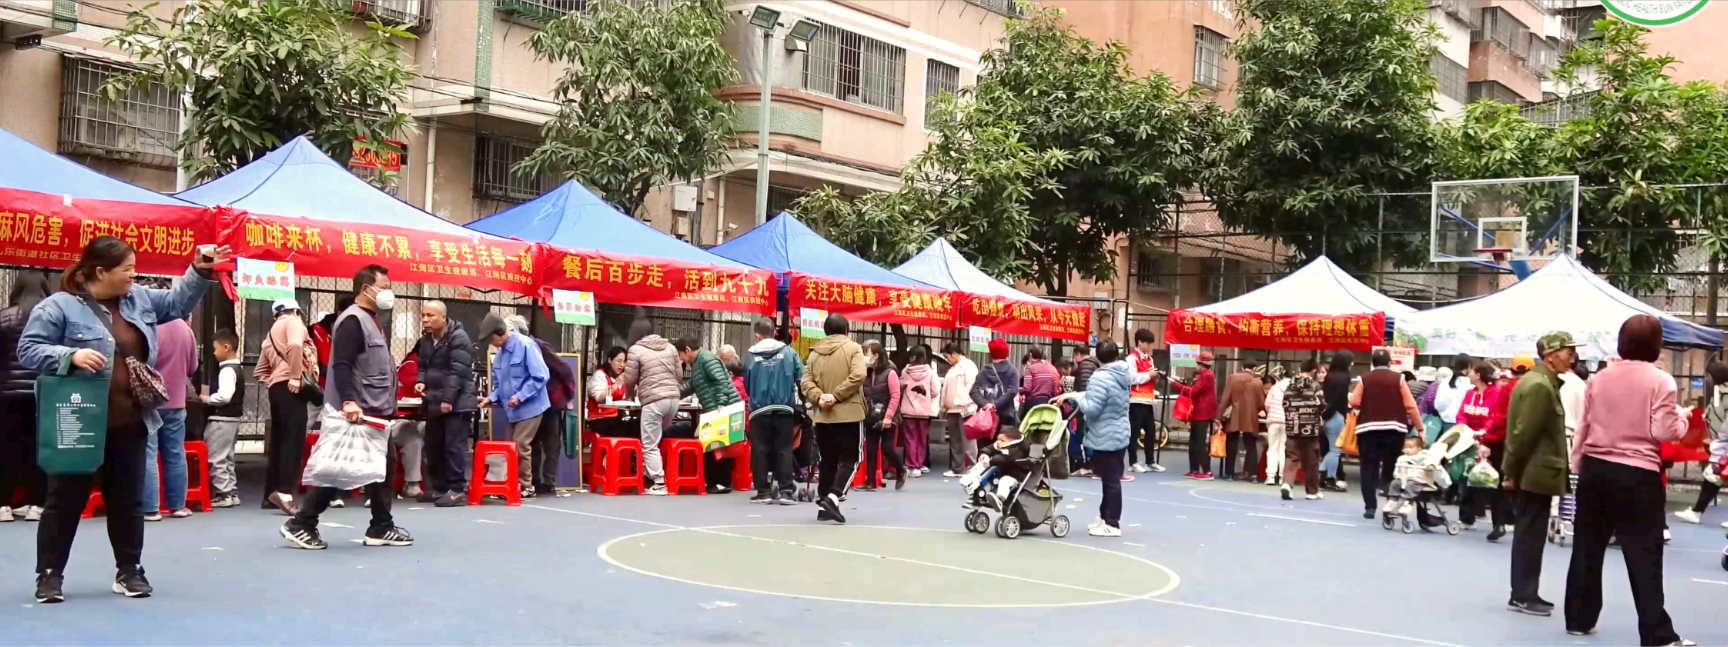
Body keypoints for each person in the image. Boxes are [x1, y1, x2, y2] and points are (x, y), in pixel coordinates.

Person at [21, 236, 222, 602]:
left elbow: (177, 303)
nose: (133, 275)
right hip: (79, 421)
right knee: (64, 499)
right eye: (127, 269)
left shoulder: (138, 299)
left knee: (128, 500)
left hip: (131, 420)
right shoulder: (59, 307)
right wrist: (69, 356)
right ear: (101, 272)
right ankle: (49, 574)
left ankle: (129, 570)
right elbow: (29, 349)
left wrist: (200, 268)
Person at [1564, 317, 1695, 645]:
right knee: (1644, 554)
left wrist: (1578, 462)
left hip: (1595, 468)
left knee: (1587, 546)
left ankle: (1579, 618)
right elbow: (1663, 431)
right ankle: (1656, 632)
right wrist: (1682, 419)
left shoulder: (1600, 378)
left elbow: (1584, 425)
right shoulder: (1661, 381)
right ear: (1656, 344)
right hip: (1637, 473)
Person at [281, 265, 411, 551]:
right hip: (358, 411)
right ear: (366, 289)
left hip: (372, 409)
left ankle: (381, 525)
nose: (389, 293)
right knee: (339, 470)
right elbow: (341, 365)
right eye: (384, 287)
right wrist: (349, 401)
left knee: (383, 467)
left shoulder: (370, 319)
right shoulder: (353, 321)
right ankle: (302, 523)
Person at [1501, 331, 1580, 617]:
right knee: (1530, 536)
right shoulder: (1540, 386)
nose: (1572, 358)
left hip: (1535, 472)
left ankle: (1525, 593)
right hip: (1534, 473)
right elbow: (1523, 435)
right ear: (1550, 355)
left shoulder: (1541, 382)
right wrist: (1511, 471)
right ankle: (1523, 594)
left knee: (1530, 534)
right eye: (1568, 352)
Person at [1052, 340, 1151, 537]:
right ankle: (1105, 516)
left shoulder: (1100, 377)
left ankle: (1112, 523)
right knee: (1109, 478)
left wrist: (1075, 397)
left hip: (1105, 433)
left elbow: (1092, 408)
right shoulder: (1122, 373)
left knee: (1111, 480)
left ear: (1098, 355)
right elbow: (1097, 397)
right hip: (1119, 430)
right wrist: (1075, 394)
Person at [800, 314, 867, 524]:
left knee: (827, 461)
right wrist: (836, 395)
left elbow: (805, 381)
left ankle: (824, 504)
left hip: (823, 416)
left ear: (825, 331)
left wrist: (819, 397)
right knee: (851, 459)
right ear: (847, 330)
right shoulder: (854, 349)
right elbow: (858, 375)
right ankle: (833, 497)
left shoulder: (814, 353)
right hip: (850, 413)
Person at [478, 312, 550, 500]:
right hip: (512, 409)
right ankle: (510, 484)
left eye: (491, 339)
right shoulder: (501, 353)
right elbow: (499, 384)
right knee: (509, 447)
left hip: (531, 406)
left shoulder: (526, 345)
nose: (491, 344)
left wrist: (521, 396)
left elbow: (541, 376)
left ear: (500, 333)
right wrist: (490, 398)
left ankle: (526, 486)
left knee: (520, 445)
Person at [255, 297, 315, 515]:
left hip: (277, 389)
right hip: (292, 387)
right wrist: (295, 376)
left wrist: (275, 380)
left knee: (279, 443)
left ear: (275, 316)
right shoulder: (293, 322)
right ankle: (284, 493)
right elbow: (296, 345)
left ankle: (270, 494)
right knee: (293, 443)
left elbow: (260, 371)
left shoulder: (270, 334)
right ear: (296, 311)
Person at [1349, 349, 1424, 520]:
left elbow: (1354, 401)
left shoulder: (1364, 379)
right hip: (1394, 429)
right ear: (1390, 363)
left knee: (1368, 467)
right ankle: (1390, 499)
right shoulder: (1399, 379)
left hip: (1368, 429)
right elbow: (1411, 406)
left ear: (1373, 363)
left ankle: (1370, 507)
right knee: (1393, 466)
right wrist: (1420, 429)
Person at [413, 301, 475, 507]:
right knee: (433, 446)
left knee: (453, 447)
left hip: (457, 402)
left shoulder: (459, 338)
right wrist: (421, 381)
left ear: (443, 318)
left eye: (430, 316)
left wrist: (448, 400)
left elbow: (458, 371)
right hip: (434, 400)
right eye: (423, 315)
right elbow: (422, 365)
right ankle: (439, 488)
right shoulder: (426, 339)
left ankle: (457, 489)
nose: (425, 319)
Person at [0, 270, 50, 523]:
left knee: (6, 448)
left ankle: (3, 505)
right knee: (40, 448)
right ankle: (36, 504)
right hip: (43, 393)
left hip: (7, 394)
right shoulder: (51, 318)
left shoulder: (4, 317)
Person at [508, 315, 575, 497]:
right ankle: (534, 481)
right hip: (531, 401)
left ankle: (548, 482)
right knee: (533, 443)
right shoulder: (513, 349)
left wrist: (568, 396)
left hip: (551, 401)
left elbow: (564, 369)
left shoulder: (538, 346)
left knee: (551, 444)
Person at [139, 315, 197, 522]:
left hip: (149, 401)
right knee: (175, 452)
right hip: (176, 400)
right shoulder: (185, 330)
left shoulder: (146, 327)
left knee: (148, 453)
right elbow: (192, 368)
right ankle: (178, 505)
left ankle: (151, 509)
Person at [619, 320, 682, 494]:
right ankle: (649, 469)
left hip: (654, 401)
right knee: (656, 436)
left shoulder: (635, 350)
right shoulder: (670, 347)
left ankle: (659, 483)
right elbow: (679, 374)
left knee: (649, 444)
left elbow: (630, 378)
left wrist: (629, 395)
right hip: (673, 400)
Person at [743, 318, 802, 504]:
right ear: (774, 332)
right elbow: (800, 376)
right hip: (784, 408)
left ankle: (763, 492)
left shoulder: (751, 354)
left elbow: (747, 383)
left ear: (757, 335)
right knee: (784, 449)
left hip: (759, 410)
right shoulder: (788, 352)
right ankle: (786, 492)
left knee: (760, 450)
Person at [678, 334, 739, 494]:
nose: (681, 359)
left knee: (721, 445)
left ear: (687, 350)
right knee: (712, 445)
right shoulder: (698, 362)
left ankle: (722, 483)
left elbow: (721, 381)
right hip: (715, 408)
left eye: (680, 355)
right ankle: (713, 482)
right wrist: (673, 394)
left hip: (723, 407)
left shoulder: (706, 359)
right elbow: (692, 385)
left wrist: (721, 402)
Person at [1458, 362, 1507, 533]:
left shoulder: (1497, 394)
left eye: (1471, 371)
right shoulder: (1469, 393)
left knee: (1494, 480)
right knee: (1467, 477)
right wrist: (1466, 430)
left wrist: (1484, 432)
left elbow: (1495, 417)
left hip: (1491, 442)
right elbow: (1461, 414)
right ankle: (1467, 517)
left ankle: (1501, 521)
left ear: (1478, 375)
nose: (1468, 374)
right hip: (1469, 441)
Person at [1677, 361, 1728, 525]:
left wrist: (1716, 443)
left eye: (1708, 376)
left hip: (1724, 447)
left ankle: (1696, 512)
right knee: (1712, 478)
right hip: (1722, 445)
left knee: (1713, 477)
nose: (1706, 379)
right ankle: (1696, 512)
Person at [201, 329, 245, 509]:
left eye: (215, 348)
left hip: (221, 418)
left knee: (215, 457)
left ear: (226, 347)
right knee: (227, 457)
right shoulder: (237, 368)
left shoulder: (227, 370)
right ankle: (231, 491)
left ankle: (223, 493)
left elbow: (225, 396)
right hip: (233, 419)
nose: (214, 352)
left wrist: (208, 399)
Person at [858, 340, 906, 492]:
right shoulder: (866, 372)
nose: (864, 357)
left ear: (876, 355)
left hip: (888, 415)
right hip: (871, 415)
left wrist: (889, 416)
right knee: (870, 449)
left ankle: (901, 470)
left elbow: (895, 396)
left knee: (887, 448)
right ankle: (870, 481)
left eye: (866, 353)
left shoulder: (890, 372)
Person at [1280, 360, 1326, 501]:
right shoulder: (1315, 386)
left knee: (1291, 456)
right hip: (1309, 427)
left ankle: (1287, 483)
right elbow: (1321, 404)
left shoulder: (1290, 385)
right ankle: (1311, 491)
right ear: (1314, 371)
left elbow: (1285, 403)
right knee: (1311, 459)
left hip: (1292, 425)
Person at [1218, 358, 1266, 482]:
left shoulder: (1232, 378)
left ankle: (1230, 473)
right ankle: (1253, 474)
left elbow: (1225, 399)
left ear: (1242, 367)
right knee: (1250, 445)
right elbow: (1261, 402)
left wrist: (1218, 416)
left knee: (1231, 443)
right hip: (1250, 417)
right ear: (1255, 369)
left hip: (1234, 416)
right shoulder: (1257, 382)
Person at [1173, 351, 1218, 479]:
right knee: (1194, 441)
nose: (1196, 365)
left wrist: (1176, 385)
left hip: (1202, 413)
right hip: (1200, 412)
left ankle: (1207, 471)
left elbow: (1193, 391)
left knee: (1199, 442)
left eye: (1198, 363)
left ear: (1201, 364)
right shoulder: (1206, 375)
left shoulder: (1206, 375)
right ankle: (1194, 469)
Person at [939, 342, 979, 478]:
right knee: (955, 440)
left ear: (955, 354)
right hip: (952, 409)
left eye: (947, 357)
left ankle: (973, 467)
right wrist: (943, 405)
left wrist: (966, 403)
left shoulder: (968, 366)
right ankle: (958, 468)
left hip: (965, 408)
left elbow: (971, 387)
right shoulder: (952, 369)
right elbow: (946, 389)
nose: (947, 360)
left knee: (968, 440)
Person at [898, 347, 938, 478]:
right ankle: (920, 464)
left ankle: (912, 466)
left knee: (910, 439)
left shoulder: (906, 371)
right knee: (922, 439)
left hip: (908, 411)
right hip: (924, 412)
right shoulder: (930, 372)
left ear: (912, 357)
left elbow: (900, 387)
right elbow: (935, 391)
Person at [1127, 329, 1163, 473]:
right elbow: (1132, 379)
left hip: (1148, 400)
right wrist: (1149, 374)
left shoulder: (1149, 358)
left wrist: (1155, 377)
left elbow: (1150, 377)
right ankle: (1133, 462)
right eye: (1148, 343)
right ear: (1140, 342)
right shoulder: (1131, 359)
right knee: (1134, 433)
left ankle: (1150, 461)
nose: (1149, 346)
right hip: (1136, 400)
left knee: (1151, 432)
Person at [1319, 351, 1354, 492]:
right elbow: (1339, 399)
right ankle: (1330, 478)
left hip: (1328, 415)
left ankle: (1323, 475)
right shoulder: (1344, 378)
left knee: (1331, 449)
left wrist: (1324, 415)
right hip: (1336, 415)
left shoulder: (1330, 376)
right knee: (1335, 451)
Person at [972, 338, 1020, 434]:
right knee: (1004, 441)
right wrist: (995, 405)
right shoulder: (1012, 370)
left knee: (985, 442)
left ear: (991, 353)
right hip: (1006, 415)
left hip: (985, 418)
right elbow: (1012, 391)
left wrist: (986, 404)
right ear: (1007, 352)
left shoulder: (984, 371)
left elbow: (974, 391)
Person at [587, 347, 633, 438]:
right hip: (599, 419)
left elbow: (626, 398)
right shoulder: (600, 375)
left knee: (636, 426)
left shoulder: (621, 377)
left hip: (616, 418)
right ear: (609, 360)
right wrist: (617, 384)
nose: (622, 365)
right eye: (619, 361)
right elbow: (600, 398)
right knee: (628, 431)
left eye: (624, 362)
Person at [1071, 346, 1101, 476]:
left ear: (1078, 354)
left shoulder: (1084, 366)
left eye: (1075, 356)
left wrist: (1081, 405)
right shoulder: (1095, 364)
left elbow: (1084, 388)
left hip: (1086, 406)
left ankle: (1088, 465)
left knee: (1083, 434)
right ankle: (1093, 464)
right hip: (1095, 404)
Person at [1263, 364, 1290, 487]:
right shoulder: (1294, 388)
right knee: (1283, 449)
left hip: (1273, 421)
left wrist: (1271, 413)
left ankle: (1270, 477)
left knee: (1272, 449)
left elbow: (1267, 404)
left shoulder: (1275, 388)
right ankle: (1282, 477)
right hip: (1287, 422)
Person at [1020, 347, 1060, 415]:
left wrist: (1018, 390)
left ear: (1030, 355)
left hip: (1032, 404)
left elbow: (1027, 389)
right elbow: (1055, 391)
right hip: (1046, 404)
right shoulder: (1049, 369)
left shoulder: (1030, 368)